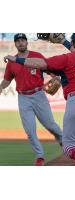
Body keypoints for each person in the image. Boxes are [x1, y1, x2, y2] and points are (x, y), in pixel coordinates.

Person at [4, 33, 75, 166]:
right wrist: (63, 41)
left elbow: (40, 63)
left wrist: (16, 59)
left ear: (72, 41)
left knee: (69, 146)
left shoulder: (66, 58)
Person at [0, 33, 63, 166]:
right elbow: (7, 80)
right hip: (23, 98)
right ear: (15, 44)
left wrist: (56, 76)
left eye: (23, 40)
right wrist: (1, 87)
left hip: (38, 95)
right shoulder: (12, 62)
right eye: (18, 41)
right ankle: (40, 156)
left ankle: (65, 143)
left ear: (27, 42)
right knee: (29, 130)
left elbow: (49, 68)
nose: (21, 43)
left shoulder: (37, 56)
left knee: (50, 125)